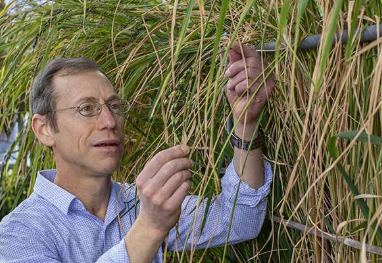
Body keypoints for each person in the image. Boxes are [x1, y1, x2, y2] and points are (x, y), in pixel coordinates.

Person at [0, 42, 275, 262]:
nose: (109, 122)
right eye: (86, 109)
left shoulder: (138, 203)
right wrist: (150, 228)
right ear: (44, 129)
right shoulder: (19, 233)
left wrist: (245, 123)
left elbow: (241, 220)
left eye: (114, 106)